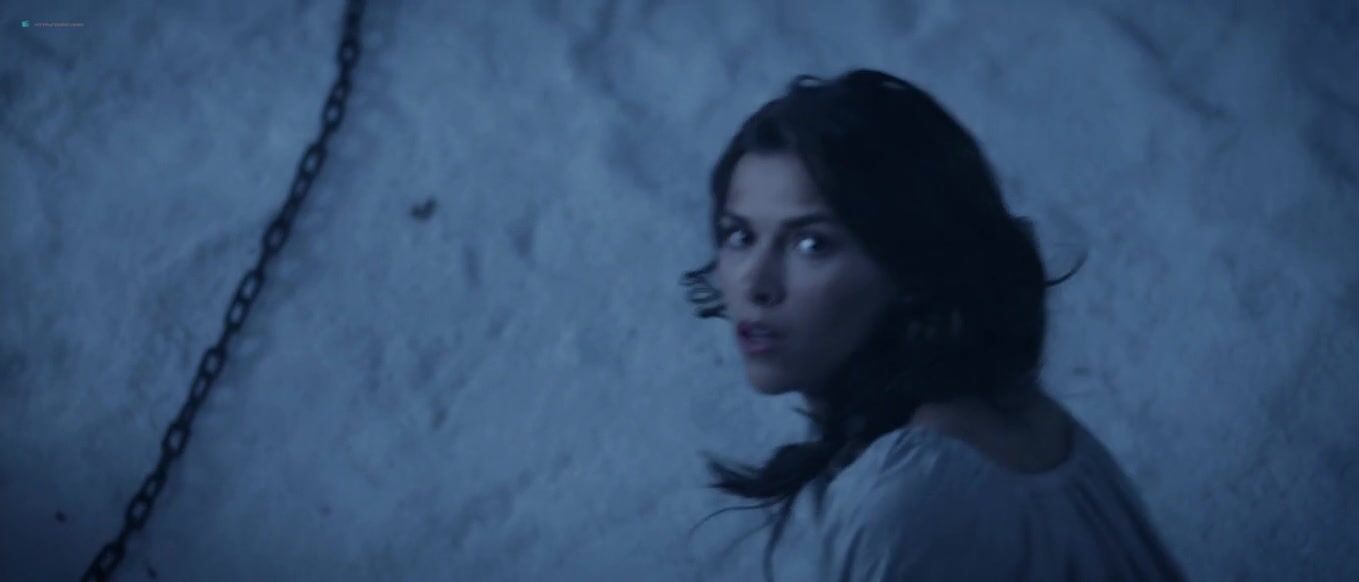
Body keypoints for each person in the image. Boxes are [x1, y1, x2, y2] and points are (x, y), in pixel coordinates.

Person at [679, 69, 1186, 581]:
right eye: (739, 236)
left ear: (907, 267)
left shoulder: (912, 494)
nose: (755, 283)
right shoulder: (1011, 417)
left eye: (812, 244)